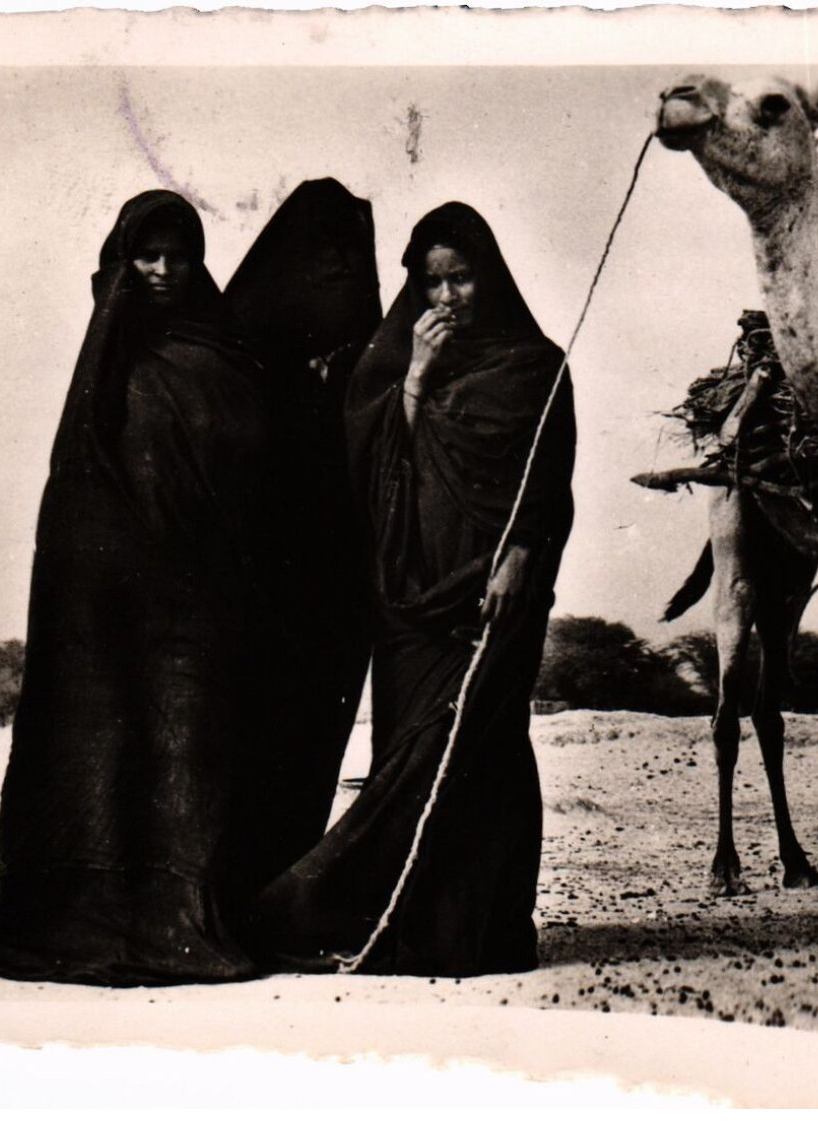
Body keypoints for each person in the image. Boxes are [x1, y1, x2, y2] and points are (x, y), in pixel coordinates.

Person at [243, 202, 576, 977]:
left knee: (481, 750)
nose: (449, 296)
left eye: (463, 277)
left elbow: (549, 479)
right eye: (434, 282)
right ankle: (403, 922)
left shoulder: (538, 365)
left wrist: (520, 553)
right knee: (414, 750)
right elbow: (368, 464)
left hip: (495, 591)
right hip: (408, 597)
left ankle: (486, 930)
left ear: (488, 277)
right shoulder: (392, 366)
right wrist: (418, 375)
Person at [0, 190, 273, 986]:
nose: (163, 269)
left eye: (179, 255)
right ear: (120, 261)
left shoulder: (226, 352)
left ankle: (183, 923)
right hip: (108, 604)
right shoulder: (103, 363)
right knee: (104, 747)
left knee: (191, 752)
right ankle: (84, 918)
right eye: (147, 255)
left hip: (201, 602)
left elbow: (258, 474)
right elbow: (77, 497)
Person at [221, 179, 385, 904]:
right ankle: (229, 896)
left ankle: (276, 895)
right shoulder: (240, 353)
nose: (339, 271)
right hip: (258, 586)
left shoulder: (374, 357)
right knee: (248, 740)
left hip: (341, 587)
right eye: (323, 256)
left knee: (312, 745)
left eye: (349, 256)